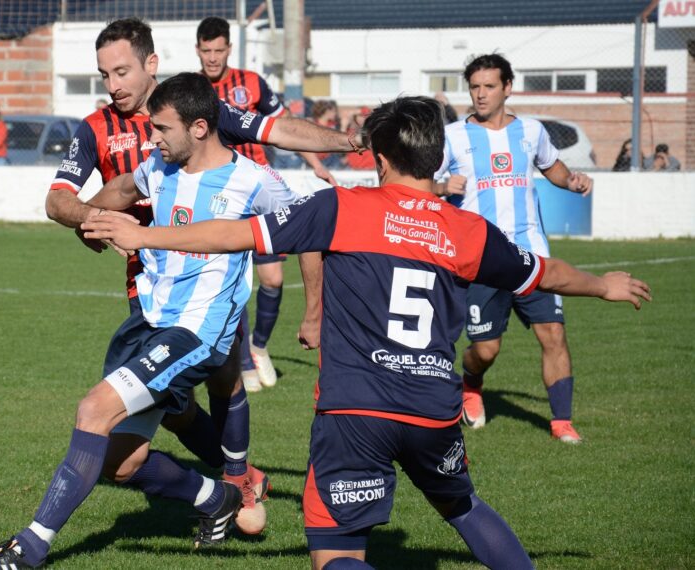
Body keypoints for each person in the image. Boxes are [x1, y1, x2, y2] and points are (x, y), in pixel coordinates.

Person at [83, 95, 652, 570]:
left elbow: (233, 234)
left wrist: (145, 236)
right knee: (463, 508)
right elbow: (542, 272)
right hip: (434, 411)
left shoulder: (341, 209)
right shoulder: (468, 230)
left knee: (334, 552)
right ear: (437, 157)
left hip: (355, 414)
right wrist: (604, 285)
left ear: (378, 160)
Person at [0, 72, 305, 569]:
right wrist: (91, 219)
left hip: (196, 334)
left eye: (161, 128)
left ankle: (26, 550)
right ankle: (217, 498)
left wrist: (315, 311)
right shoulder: (160, 164)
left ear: (199, 128)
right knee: (120, 463)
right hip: (151, 322)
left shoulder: (255, 180)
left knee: (93, 410)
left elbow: (312, 231)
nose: (151, 137)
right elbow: (121, 186)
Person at [43, 17, 360, 535]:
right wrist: (93, 219)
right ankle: (237, 484)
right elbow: (59, 200)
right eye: (104, 75)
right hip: (147, 284)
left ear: (151, 64)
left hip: (211, 283)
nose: (113, 84)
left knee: (222, 377)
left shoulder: (196, 110)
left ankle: (235, 482)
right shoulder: (96, 127)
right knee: (173, 405)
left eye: (121, 71)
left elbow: (276, 130)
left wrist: (349, 140)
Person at [434, 53, 595, 443]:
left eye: (489, 86)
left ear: (507, 87)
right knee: (486, 350)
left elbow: (551, 166)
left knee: (553, 333)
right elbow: (422, 183)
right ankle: (471, 381)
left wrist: (571, 181)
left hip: (532, 254)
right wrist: (441, 187)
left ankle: (561, 422)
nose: (481, 94)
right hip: (481, 258)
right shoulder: (453, 136)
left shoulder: (531, 131)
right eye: (475, 87)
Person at [195, 15, 332, 393]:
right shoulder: (192, 89)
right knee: (230, 280)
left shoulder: (251, 83)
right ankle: (240, 360)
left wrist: (316, 164)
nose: (212, 57)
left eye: (218, 50)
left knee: (272, 279)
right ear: (198, 51)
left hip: (260, 189)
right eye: (206, 51)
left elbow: (284, 127)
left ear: (229, 49)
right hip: (220, 195)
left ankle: (258, 346)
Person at [311, 99, 346, 169]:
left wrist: (343, 127)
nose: (335, 113)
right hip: (318, 159)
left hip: (332, 158)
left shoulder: (334, 125)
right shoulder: (313, 126)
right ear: (327, 111)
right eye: (333, 111)